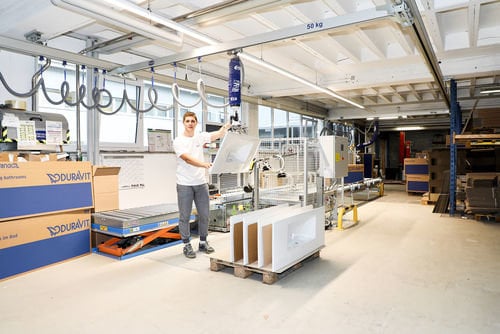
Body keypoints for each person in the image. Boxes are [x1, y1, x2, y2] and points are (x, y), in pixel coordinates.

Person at [173, 111, 230, 258]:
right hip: (184, 184)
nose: (190, 123)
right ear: (183, 123)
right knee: (185, 216)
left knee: (204, 215)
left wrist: (226, 127)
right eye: (187, 121)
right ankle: (186, 244)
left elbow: (217, 134)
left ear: (196, 123)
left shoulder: (200, 136)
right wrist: (204, 164)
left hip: (201, 183)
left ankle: (203, 242)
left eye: (193, 121)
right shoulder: (178, 141)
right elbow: (188, 159)